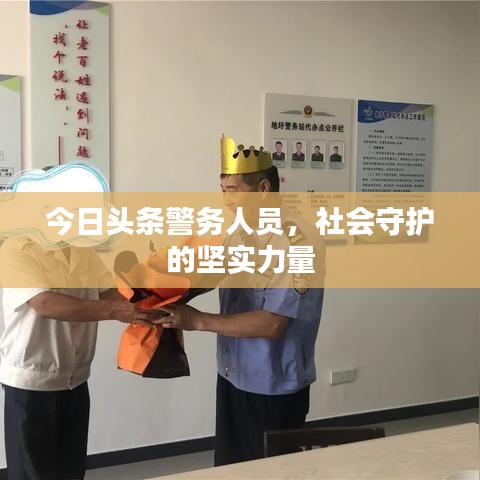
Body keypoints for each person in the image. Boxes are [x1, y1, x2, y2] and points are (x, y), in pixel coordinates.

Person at [159, 136, 326, 466]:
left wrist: (197, 320)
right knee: (230, 468)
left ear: (263, 189)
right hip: (232, 375)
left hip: (272, 387)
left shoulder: (298, 243)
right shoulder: (238, 233)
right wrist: (161, 287)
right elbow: (211, 275)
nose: (226, 201)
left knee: (269, 472)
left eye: (233, 190)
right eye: (222, 190)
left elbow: (272, 323)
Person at [0, 229, 163, 477]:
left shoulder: (82, 250)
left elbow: (109, 292)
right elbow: (45, 303)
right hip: (31, 386)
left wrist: (152, 304)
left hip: (75, 382)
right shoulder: (16, 249)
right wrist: (115, 311)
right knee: (32, 474)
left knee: (72, 471)